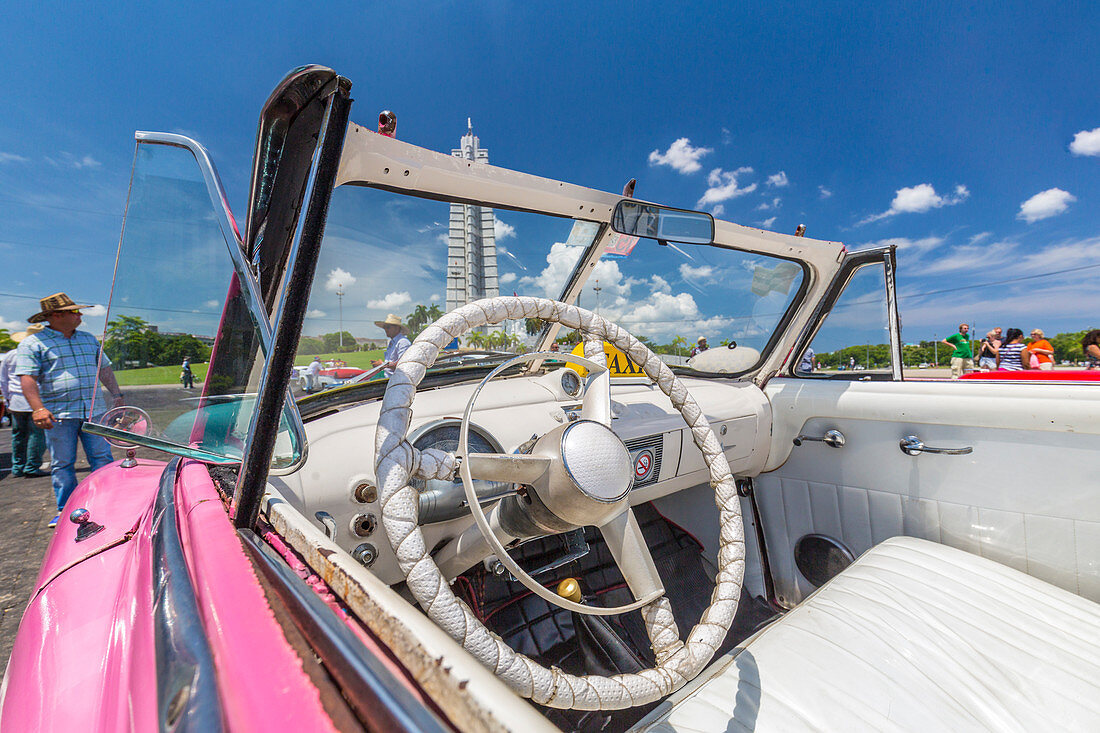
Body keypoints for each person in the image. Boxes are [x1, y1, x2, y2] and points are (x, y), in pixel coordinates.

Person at [16, 293, 124, 527]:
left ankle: (106, 502)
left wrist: (117, 395)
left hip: (94, 410)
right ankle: (66, 509)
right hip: (59, 415)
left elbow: (103, 369)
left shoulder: (89, 339)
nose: (80, 315)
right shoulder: (33, 343)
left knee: (102, 458)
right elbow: (28, 379)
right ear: (56, 316)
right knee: (62, 463)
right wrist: (38, 409)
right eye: (74, 311)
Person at [1, 323, 49, 477]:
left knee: (18, 436)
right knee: (37, 435)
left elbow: (3, 380)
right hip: (36, 400)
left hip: (16, 401)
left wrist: (7, 400)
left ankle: (17, 466)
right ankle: (32, 466)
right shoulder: (41, 353)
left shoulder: (10, 355)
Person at [372, 314, 412, 378]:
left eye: (388, 327)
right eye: (384, 327)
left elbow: (403, 365)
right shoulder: (392, 342)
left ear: (397, 328)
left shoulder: (403, 342)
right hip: (387, 376)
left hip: (395, 379)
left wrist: (382, 365)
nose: (385, 329)